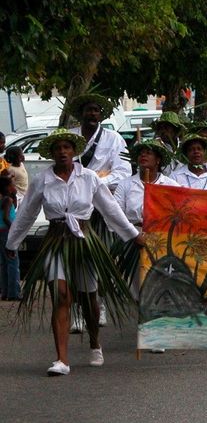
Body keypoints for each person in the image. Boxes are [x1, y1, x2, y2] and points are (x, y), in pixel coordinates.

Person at [5, 129, 143, 376]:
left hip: (85, 241)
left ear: (74, 151)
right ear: (52, 153)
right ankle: (62, 360)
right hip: (56, 241)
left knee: (89, 297)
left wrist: (132, 235)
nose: (62, 152)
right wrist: (12, 243)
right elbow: (26, 212)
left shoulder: (89, 178)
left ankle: (94, 342)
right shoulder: (43, 180)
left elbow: (110, 209)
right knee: (60, 295)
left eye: (66, 147)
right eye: (58, 148)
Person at [69, 94, 132, 330]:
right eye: (88, 110)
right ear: (81, 113)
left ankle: (100, 306)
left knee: (103, 258)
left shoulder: (114, 139)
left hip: (102, 209)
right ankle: (77, 312)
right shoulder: (70, 137)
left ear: (101, 115)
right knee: (74, 261)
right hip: (74, 210)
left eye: (96, 110)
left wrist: (92, 182)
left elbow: (123, 172)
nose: (92, 114)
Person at [114, 140, 178, 297]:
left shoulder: (171, 186)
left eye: (148, 153)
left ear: (158, 160)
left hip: (162, 241)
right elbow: (116, 214)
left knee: (161, 288)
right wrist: (134, 235)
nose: (143, 155)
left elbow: (181, 215)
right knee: (139, 289)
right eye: (141, 153)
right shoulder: (126, 185)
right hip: (134, 240)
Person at [0, 175, 20, 301]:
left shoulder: (3, 199)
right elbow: (6, 218)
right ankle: (14, 293)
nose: (15, 186)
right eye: (13, 184)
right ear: (8, 187)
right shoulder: (7, 200)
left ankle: (5, 292)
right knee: (13, 262)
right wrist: (15, 231)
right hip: (7, 232)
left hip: (1, 232)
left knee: (4, 263)